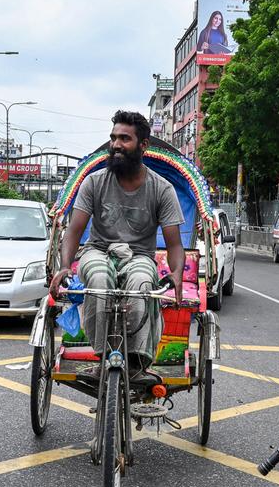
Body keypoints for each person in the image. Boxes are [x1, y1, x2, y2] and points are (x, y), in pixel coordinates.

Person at [48, 110, 184, 380]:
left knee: (144, 283)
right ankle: (102, 355)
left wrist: (177, 273)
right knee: (98, 278)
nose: (116, 145)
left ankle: (136, 361)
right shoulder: (94, 182)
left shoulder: (162, 189)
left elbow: (174, 244)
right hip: (98, 251)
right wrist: (64, 267)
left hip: (140, 255)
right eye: (113, 138)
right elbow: (74, 230)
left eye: (125, 138)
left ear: (143, 145)